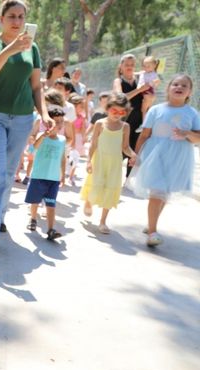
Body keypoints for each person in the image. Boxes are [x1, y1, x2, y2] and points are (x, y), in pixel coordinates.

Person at [0, 0, 53, 249]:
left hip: (22, 119)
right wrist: (10, 49)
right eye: (12, 16)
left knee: (8, 173)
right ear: (2, 19)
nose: (17, 22)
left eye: (21, 17)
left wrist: (46, 113)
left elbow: (36, 86)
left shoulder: (33, 48)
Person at [126, 74, 200, 247]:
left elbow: (198, 138)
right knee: (157, 192)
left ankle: (151, 223)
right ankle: (152, 232)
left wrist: (186, 134)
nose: (179, 87)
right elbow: (144, 135)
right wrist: (135, 155)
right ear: (168, 88)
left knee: (165, 192)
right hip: (155, 154)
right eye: (175, 84)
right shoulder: (156, 110)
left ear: (189, 92)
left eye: (184, 85)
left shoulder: (192, 113)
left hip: (179, 157)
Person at [81, 92, 137, 234]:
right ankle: (88, 201)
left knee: (111, 188)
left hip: (115, 163)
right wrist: (88, 161)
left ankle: (103, 221)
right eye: (114, 110)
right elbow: (93, 144)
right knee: (95, 183)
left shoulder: (125, 126)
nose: (117, 114)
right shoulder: (100, 123)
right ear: (108, 109)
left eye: (121, 111)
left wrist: (133, 154)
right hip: (99, 160)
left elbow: (125, 147)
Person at [25, 105, 67, 240]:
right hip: (38, 176)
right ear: (47, 122)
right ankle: (32, 219)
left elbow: (62, 158)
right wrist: (43, 135)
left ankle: (51, 229)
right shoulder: (40, 136)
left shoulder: (62, 140)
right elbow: (32, 150)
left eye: (61, 121)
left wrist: (63, 175)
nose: (59, 124)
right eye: (56, 121)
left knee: (51, 204)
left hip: (53, 179)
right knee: (35, 201)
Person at [112, 53, 151, 176]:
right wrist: (140, 90)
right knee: (118, 151)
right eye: (127, 65)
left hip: (138, 121)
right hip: (123, 121)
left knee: (135, 150)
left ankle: (129, 180)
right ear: (121, 66)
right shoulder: (118, 81)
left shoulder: (141, 79)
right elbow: (121, 98)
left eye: (132, 65)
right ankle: (112, 178)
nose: (129, 67)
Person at [137, 56, 162, 125]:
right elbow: (136, 73)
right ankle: (147, 123)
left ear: (154, 66)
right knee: (145, 108)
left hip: (147, 90)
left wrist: (152, 83)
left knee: (144, 109)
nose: (146, 68)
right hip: (142, 90)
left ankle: (144, 123)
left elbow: (157, 82)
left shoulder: (153, 74)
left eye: (148, 66)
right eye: (144, 66)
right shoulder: (143, 72)